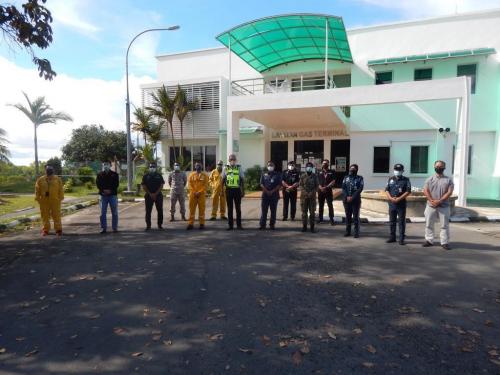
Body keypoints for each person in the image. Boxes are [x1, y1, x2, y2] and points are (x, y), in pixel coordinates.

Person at [422, 160, 454, 250]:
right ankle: (429, 240)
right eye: (437, 166)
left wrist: (440, 201)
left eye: (441, 166)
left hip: (444, 206)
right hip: (430, 205)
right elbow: (425, 190)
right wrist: (431, 200)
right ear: (434, 167)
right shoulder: (429, 179)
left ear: (444, 168)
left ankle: (444, 242)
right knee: (429, 224)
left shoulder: (448, 180)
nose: (439, 168)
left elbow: (449, 192)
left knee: (444, 225)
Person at [385, 163, 411, 245]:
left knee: (401, 222)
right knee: (392, 221)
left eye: (399, 170)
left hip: (401, 204)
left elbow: (408, 191)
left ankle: (401, 239)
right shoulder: (390, 179)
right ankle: (392, 237)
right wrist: (390, 198)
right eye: (396, 170)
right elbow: (386, 190)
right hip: (392, 203)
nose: (397, 171)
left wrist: (399, 199)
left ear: (402, 171)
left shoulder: (406, 180)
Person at [35, 164, 64, 236]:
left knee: (56, 215)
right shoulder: (40, 180)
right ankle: (46, 230)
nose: (49, 172)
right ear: (45, 171)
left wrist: (60, 198)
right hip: (44, 201)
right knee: (45, 216)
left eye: (50, 171)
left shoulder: (57, 179)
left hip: (55, 200)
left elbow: (61, 189)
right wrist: (38, 199)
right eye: (48, 171)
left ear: (53, 171)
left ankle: (58, 230)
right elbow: (37, 190)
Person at [96, 161, 119, 234]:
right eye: (104, 164)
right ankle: (103, 228)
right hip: (103, 196)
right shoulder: (99, 174)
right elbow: (98, 184)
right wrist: (103, 190)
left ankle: (114, 228)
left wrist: (110, 191)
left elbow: (116, 184)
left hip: (112, 195)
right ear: (103, 165)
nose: (106, 166)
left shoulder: (114, 174)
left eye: (107, 164)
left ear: (110, 165)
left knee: (114, 212)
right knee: (102, 213)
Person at [223, 154, 245, 230]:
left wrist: (243, 191)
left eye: (233, 159)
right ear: (229, 160)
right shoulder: (225, 168)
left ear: (236, 160)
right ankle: (230, 225)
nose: (232, 160)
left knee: (238, 209)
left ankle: (239, 225)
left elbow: (242, 180)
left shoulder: (239, 167)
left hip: (237, 190)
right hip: (228, 190)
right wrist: (221, 191)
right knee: (230, 209)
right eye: (231, 159)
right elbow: (223, 180)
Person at [342, 164, 364, 238]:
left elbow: (360, 189)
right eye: (351, 168)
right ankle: (347, 232)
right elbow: (343, 188)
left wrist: (352, 197)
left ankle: (356, 232)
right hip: (346, 200)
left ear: (356, 170)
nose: (352, 170)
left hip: (356, 201)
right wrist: (347, 196)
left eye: (353, 169)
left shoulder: (360, 178)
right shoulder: (346, 177)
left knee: (355, 217)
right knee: (348, 217)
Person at [141, 162, 165, 230]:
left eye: (153, 167)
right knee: (148, 211)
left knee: (160, 210)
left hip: (158, 195)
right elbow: (144, 185)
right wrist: (150, 194)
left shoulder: (159, 175)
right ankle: (148, 226)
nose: (152, 168)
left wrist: (156, 194)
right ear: (149, 168)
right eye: (151, 167)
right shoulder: (145, 176)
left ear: (156, 168)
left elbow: (161, 185)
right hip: (149, 195)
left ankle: (160, 225)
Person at [259, 161, 282, 230]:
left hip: (274, 195)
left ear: (274, 167)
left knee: (273, 211)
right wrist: (266, 191)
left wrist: (272, 191)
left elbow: (279, 185)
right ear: (267, 166)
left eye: (271, 165)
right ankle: (262, 225)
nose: (270, 166)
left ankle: (272, 225)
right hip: (265, 195)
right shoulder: (263, 174)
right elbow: (261, 184)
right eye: (269, 165)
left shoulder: (277, 174)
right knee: (264, 211)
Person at [187, 162, 209, 230]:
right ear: (195, 167)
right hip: (192, 195)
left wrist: (199, 192)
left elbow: (205, 185)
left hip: (201, 195)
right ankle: (190, 224)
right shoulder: (191, 175)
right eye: (197, 166)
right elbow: (189, 185)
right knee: (191, 210)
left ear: (202, 167)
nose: (198, 167)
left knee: (202, 210)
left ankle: (202, 224)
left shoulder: (205, 176)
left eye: (199, 166)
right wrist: (194, 192)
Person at [299, 162, 319, 233]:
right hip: (304, 198)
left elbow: (317, 186)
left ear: (312, 168)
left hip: (312, 197)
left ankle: (312, 227)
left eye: (310, 167)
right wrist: (305, 193)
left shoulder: (315, 176)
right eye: (308, 167)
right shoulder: (302, 176)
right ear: (306, 168)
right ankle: (304, 227)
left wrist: (311, 193)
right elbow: (300, 186)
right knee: (304, 213)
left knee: (312, 213)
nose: (309, 168)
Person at [317, 159, 336, 225]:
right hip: (320, 191)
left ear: (328, 164)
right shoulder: (319, 172)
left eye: (326, 163)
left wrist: (326, 187)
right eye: (323, 163)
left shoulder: (332, 172)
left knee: (330, 205)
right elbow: (317, 182)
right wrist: (321, 188)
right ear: (322, 164)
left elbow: (333, 181)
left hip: (328, 191)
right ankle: (320, 219)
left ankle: (331, 219)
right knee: (320, 205)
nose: (324, 164)